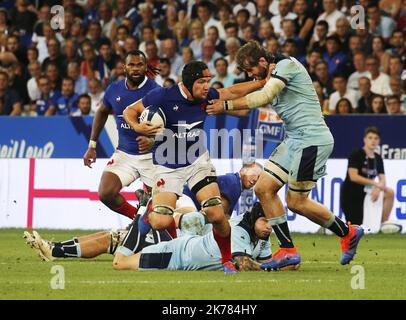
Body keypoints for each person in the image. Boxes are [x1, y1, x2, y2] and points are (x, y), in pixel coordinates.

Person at [206, 40, 364, 270]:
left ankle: (347, 232)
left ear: (263, 61)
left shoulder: (286, 66)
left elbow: (262, 97)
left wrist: (225, 106)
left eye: (251, 69)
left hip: (312, 139)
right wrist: (211, 99)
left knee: (296, 201)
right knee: (263, 188)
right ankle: (288, 250)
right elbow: (240, 98)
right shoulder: (268, 74)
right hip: (294, 140)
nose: (250, 75)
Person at [123, 60, 267, 273]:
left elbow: (231, 91)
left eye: (208, 81)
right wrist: (137, 126)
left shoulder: (206, 96)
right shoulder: (163, 96)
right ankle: (145, 210)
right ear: (188, 83)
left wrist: (262, 82)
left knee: (217, 215)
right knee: (161, 222)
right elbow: (130, 111)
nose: (206, 86)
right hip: (168, 164)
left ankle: (227, 260)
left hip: (197, 161)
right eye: (201, 82)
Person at [23, 166, 263, 262]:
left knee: (115, 239)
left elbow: (203, 217)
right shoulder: (232, 183)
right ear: (244, 168)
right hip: (182, 232)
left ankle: (54, 249)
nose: (255, 179)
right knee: (114, 239)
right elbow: (212, 215)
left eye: (260, 178)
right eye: (255, 173)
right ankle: (53, 249)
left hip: (181, 237)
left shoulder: (201, 191)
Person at [82, 50, 160, 220]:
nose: (136, 69)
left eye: (140, 64)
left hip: (152, 157)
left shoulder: (156, 91)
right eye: (131, 64)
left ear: (146, 67)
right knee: (106, 193)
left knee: (160, 208)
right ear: (124, 67)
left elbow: (170, 124)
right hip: (125, 154)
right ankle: (138, 220)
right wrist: (92, 146)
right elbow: (102, 112)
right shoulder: (114, 89)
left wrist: (153, 140)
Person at [113, 203, 275, 272]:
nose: (269, 226)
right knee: (119, 263)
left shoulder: (262, 233)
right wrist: (272, 268)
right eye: (265, 221)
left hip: (188, 247)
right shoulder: (239, 228)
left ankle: (150, 223)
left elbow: (267, 263)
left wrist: (284, 264)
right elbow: (244, 264)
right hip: (176, 255)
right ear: (254, 218)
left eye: (271, 222)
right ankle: (142, 212)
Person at [341, 127, 395, 227]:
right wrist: (375, 183)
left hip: (367, 192)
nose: (373, 141)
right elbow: (353, 176)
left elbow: (383, 180)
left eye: (376, 138)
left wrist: (378, 188)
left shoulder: (378, 158)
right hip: (352, 194)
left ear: (379, 141)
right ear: (365, 139)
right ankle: (329, 229)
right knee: (355, 226)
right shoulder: (356, 154)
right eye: (370, 138)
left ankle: (382, 225)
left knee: (390, 193)